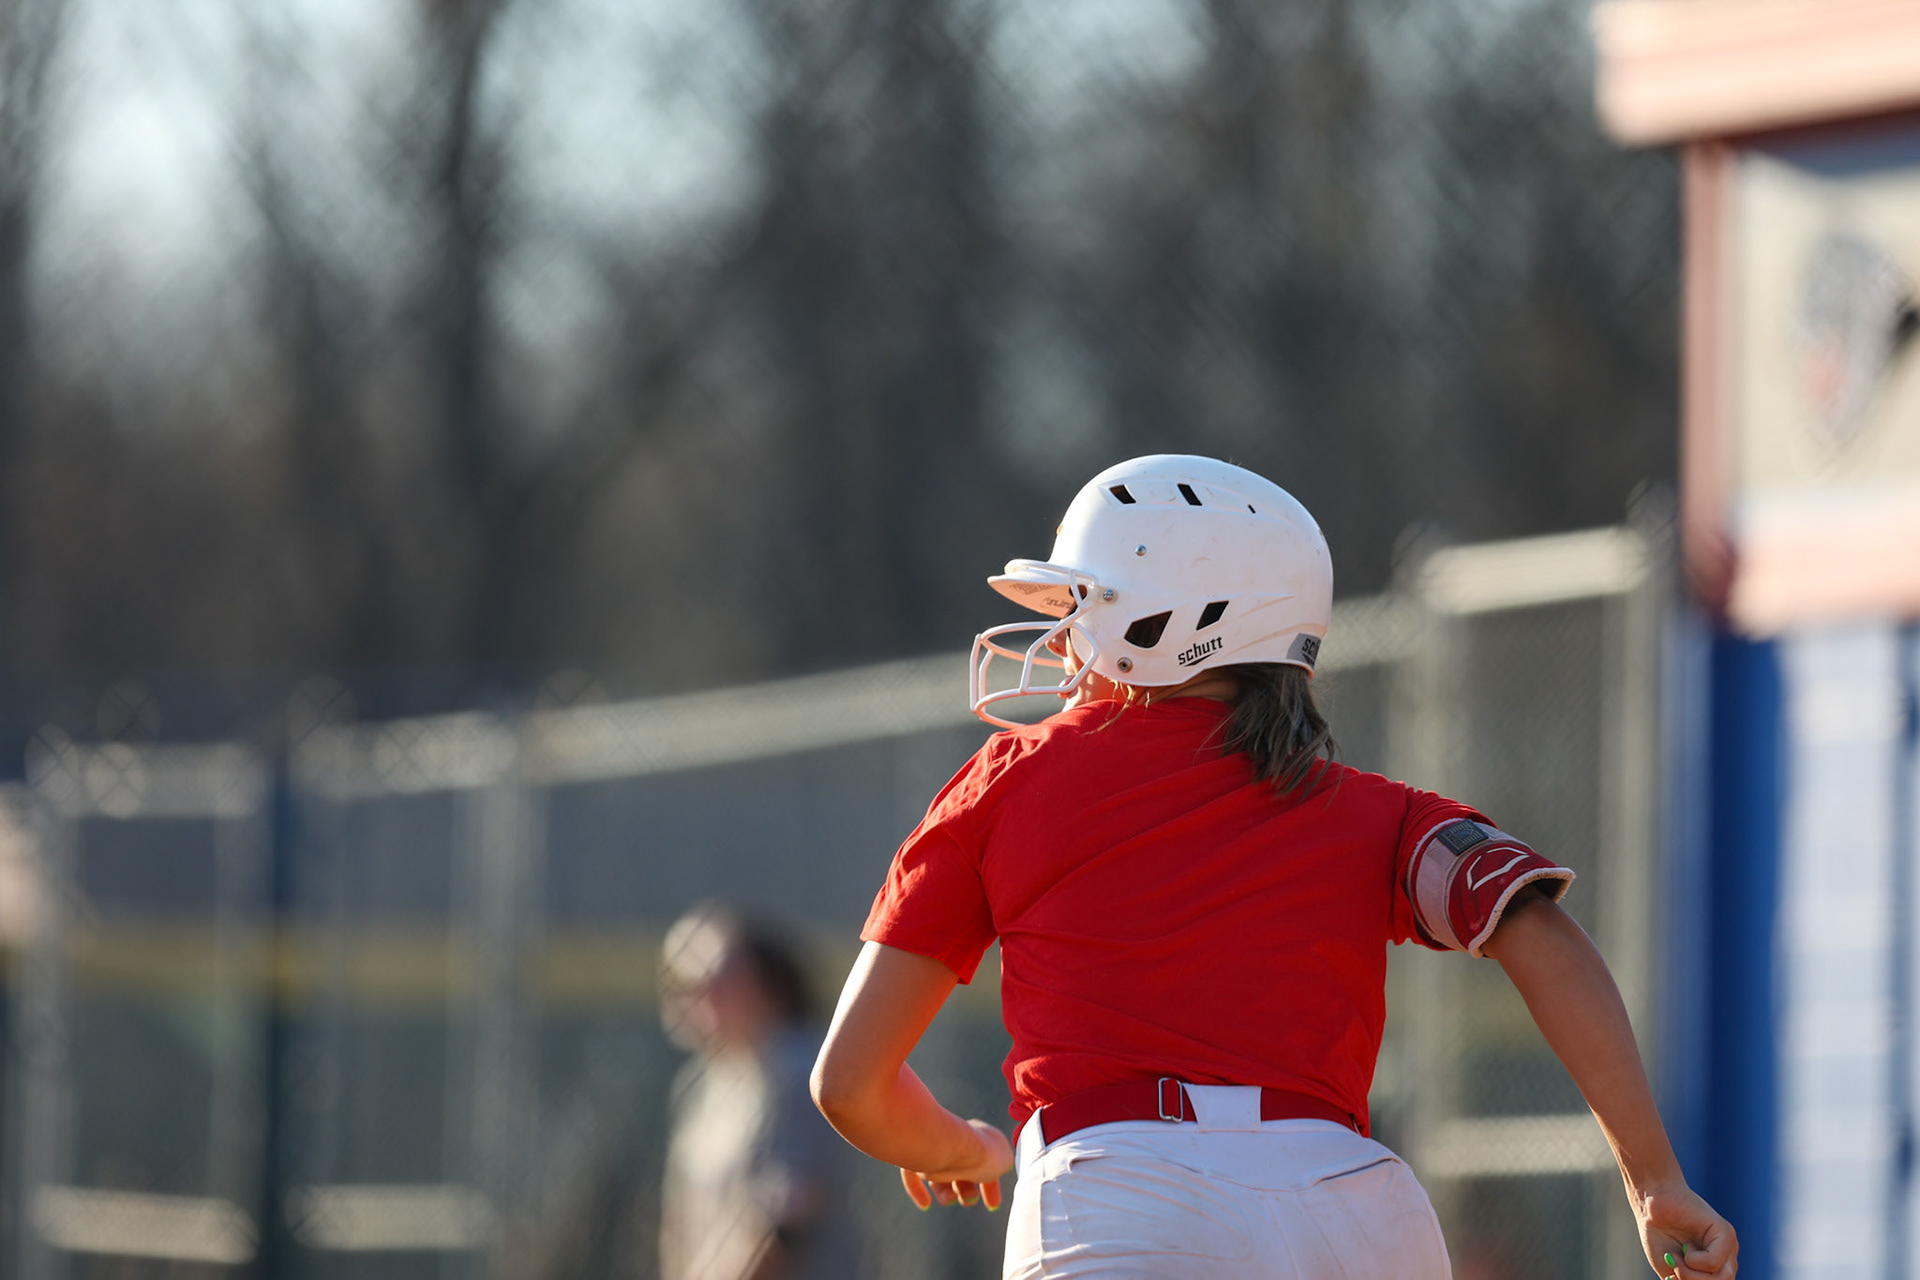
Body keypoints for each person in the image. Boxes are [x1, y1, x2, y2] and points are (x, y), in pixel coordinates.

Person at [809, 455, 1736, 1279]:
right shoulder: (1374, 811)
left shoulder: (1011, 781)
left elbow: (849, 1082)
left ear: (1167, 619)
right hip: (1357, 1212)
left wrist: (960, 1149)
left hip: (1123, 1198)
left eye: (1082, 608)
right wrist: (1654, 1178)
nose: (1060, 643)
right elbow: (1538, 929)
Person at [659, 903, 856, 1280]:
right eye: (683, 977)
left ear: (766, 985)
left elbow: (787, 1223)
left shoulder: (801, 1072)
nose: (694, 992)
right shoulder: (700, 1083)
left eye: (714, 975)